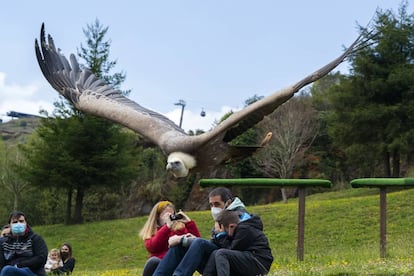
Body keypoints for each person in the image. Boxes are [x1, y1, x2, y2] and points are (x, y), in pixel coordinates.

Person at [153, 187, 250, 276]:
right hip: (218, 258)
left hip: (232, 265)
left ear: (228, 203)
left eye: (217, 204)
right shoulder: (225, 214)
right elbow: (212, 245)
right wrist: (189, 232)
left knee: (195, 243)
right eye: (211, 205)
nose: (214, 208)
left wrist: (184, 239)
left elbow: (232, 248)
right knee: (181, 246)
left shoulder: (240, 217)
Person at [203, 209, 274, 276]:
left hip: (259, 263)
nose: (226, 235)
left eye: (225, 232)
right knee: (215, 253)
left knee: (221, 253)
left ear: (232, 226)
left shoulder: (244, 230)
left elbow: (230, 249)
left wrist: (221, 236)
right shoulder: (240, 228)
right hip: (251, 260)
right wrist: (217, 235)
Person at [139, 201, 201, 276]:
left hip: (176, 265)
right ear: (157, 217)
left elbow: (196, 244)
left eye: (172, 215)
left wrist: (189, 223)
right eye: (166, 215)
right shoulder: (152, 232)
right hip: (158, 265)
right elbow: (153, 246)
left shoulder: (179, 229)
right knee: (153, 262)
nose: (170, 217)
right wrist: (166, 228)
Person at [0, 210, 48, 276]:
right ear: (9, 226)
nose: (18, 224)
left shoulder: (35, 239)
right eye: (15, 222)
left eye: (21, 221)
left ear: (26, 223)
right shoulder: (3, 242)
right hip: (7, 272)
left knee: (7, 270)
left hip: (32, 272)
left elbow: (41, 258)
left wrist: (18, 265)